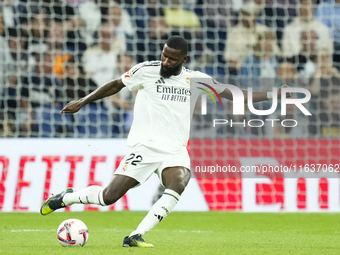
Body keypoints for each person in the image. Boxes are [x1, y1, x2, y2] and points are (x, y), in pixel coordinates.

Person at [40, 36, 289, 247]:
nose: (165, 62)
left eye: (172, 59)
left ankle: (136, 235)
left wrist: (272, 95)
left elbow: (236, 95)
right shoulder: (145, 70)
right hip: (145, 146)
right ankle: (67, 197)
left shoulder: (196, 79)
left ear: (184, 60)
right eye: (164, 56)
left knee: (179, 183)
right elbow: (116, 85)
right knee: (108, 197)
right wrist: (82, 102)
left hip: (175, 150)